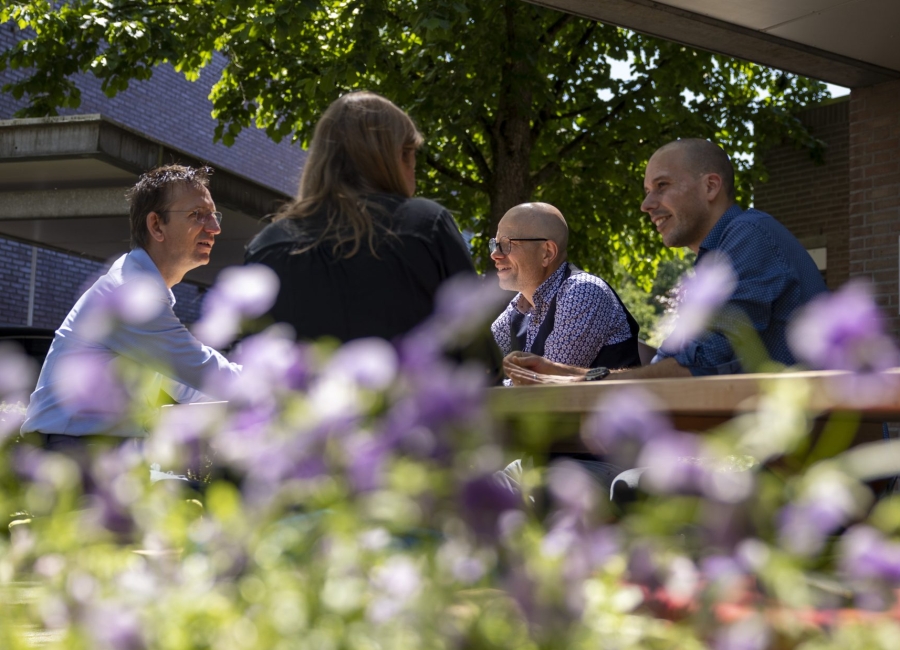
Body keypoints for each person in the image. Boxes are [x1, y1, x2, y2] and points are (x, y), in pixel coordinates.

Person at [503, 138, 828, 385]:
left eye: (662, 186)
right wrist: (565, 370)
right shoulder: (717, 258)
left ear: (710, 186)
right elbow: (670, 362)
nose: (646, 204)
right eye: (647, 190)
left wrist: (569, 378)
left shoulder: (749, 236)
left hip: (820, 457)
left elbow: (696, 365)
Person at [21, 165, 242, 448]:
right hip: (72, 450)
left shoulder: (138, 288)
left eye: (213, 215)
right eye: (197, 215)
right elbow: (203, 373)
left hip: (88, 447)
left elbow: (188, 384)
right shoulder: (131, 293)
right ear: (156, 226)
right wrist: (271, 385)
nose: (215, 227)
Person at [245, 91, 476, 343]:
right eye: (412, 156)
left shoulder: (266, 244)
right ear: (402, 156)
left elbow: (253, 356)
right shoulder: (426, 223)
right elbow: (478, 348)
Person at [490, 202, 640, 382]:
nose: (495, 255)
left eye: (507, 244)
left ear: (547, 252)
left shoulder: (582, 291)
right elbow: (482, 366)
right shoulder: (519, 306)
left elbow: (544, 388)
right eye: (495, 244)